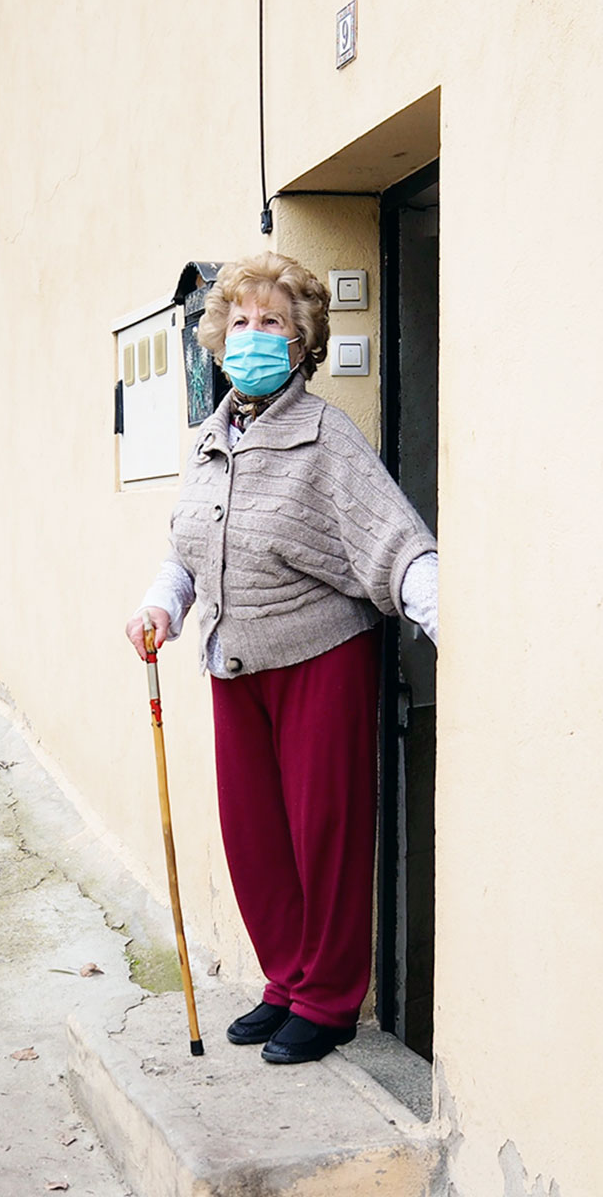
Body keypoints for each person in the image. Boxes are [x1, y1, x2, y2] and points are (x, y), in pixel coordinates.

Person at [126, 251, 438, 1065]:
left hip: (320, 655)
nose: (253, 335)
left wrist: (451, 616)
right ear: (217, 338)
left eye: (273, 323)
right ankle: (286, 981)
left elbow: (391, 539)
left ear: (303, 345)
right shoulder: (209, 437)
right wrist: (163, 603)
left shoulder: (325, 435)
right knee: (254, 835)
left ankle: (329, 1000)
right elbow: (188, 546)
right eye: (240, 321)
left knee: (324, 833)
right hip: (235, 660)